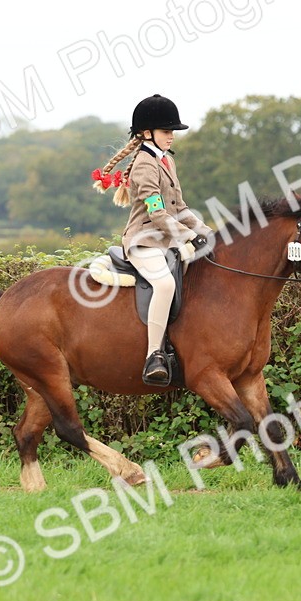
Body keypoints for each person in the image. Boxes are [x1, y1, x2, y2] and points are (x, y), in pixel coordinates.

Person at [91, 94, 212, 385]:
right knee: (165, 284)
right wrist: (188, 236)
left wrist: (206, 232)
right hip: (144, 241)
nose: (172, 136)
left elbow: (180, 208)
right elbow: (157, 214)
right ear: (147, 133)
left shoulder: (166, 160)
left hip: (165, 240)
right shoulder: (145, 165)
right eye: (166, 131)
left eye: (172, 131)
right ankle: (154, 355)